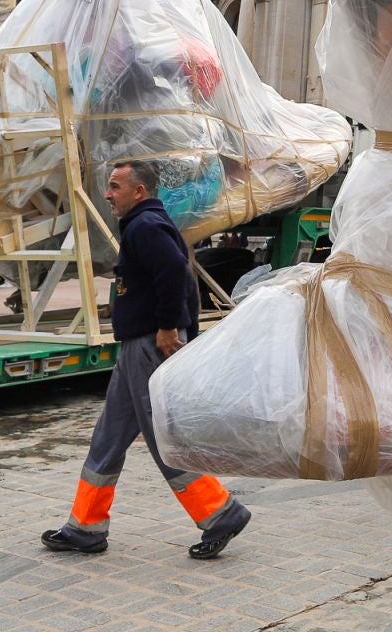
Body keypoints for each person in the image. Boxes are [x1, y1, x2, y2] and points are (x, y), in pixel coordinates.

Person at [41, 160, 250, 560]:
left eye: (116, 186)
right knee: (108, 437)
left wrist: (170, 328)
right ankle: (85, 527)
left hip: (149, 345)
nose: (108, 193)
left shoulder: (146, 226)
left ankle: (221, 514)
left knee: (163, 439)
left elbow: (175, 273)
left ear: (139, 191)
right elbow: (177, 274)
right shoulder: (146, 224)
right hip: (137, 345)